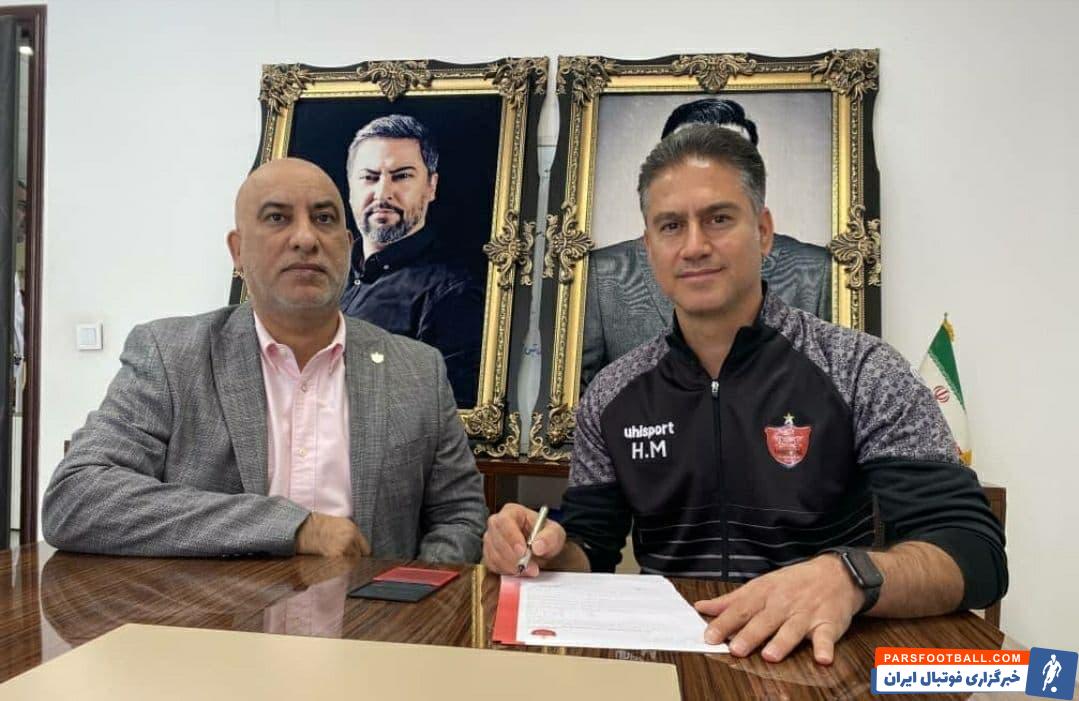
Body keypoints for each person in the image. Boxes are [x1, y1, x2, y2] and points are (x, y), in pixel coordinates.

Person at [484, 127, 1007, 665]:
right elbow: (591, 549)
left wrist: (849, 576)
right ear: (649, 248)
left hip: (823, 662)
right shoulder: (612, 394)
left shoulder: (861, 370)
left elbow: (974, 552)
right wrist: (539, 550)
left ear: (763, 232)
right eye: (671, 226)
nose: (694, 246)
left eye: (718, 219)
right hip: (676, 663)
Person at [43, 158, 486, 561]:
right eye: (277, 218)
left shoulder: (418, 370)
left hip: (370, 618)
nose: (306, 238)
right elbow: (76, 498)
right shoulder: (171, 356)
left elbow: (460, 516)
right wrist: (293, 528)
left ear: (348, 245)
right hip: (212, 619)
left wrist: (413, 598)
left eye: (324, 219)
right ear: (238, 251)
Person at [581, 98, 831, 387]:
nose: (695, 247)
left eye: (729, 153)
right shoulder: (602, 274)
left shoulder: (815, 270)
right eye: (689, 152)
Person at [340, 114, 485, 407]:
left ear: (431, 186)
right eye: (369, 177)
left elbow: (444, 415)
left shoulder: (453, 295)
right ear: (351, 187)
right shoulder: (322, 273)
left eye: (402, 176)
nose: (382, 193)